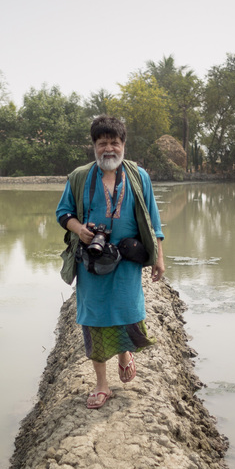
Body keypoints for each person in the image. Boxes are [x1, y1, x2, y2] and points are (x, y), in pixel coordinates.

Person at [56, 115, 165, 409]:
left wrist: (159, 257)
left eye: (114, 142)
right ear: (94, 146)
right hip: (92, 262)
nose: (108, 149)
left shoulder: (139, 177)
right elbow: (63, 213)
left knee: (128, 311)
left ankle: (124, 353)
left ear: (123, 144)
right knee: (94, 319)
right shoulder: (79, 177)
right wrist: (80, 230)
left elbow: (153, 220)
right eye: (102, 143)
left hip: (128, 260)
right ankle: (102, 385)